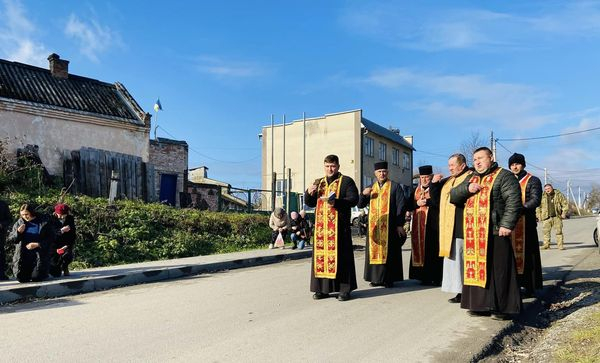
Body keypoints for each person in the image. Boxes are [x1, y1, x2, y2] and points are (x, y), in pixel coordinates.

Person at [450, 147, 522, 320]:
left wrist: (506, 224)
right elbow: (453, 196)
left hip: (496, 231)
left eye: (481, 158)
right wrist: (467, 189)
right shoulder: (471, 177)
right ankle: (479, 305)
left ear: (491, 157)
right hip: (474, 233)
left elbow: (513, 201)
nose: (478, 162)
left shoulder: (504, 176)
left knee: (499, 272)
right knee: (477, 270)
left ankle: (502, 308)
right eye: (475, 159)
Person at [305, 154, 359, 301]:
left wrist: (337, 202)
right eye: (327, 166)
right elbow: (309, 202)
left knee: (342, 259)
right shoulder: (319, 182)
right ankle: (322, 290)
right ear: (324, 167)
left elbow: (354, 199)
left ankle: (344, 290)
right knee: (321, 259)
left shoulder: (347, 181)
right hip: (322, 230)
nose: (330, 169)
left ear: (338, 167)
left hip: (339, 228)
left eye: (333, 166)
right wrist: (309, 193)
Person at [358, 161, 407, 288]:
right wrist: (363, 195)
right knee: (374, 253)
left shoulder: (395, 187)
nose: (382, 174)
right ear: (375, 173)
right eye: (379, 172)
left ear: (387, 172)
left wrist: (399, 224)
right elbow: (360, 205)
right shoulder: (370, 187)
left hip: (389, 226)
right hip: (374, 227)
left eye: (384, 171)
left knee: (389, 253)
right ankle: (375, 279)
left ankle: (388, 279)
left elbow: (401, 206)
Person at [436, 153, 471, 304]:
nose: (450, 168)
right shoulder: (450, 180)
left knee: (462, 259)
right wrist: (434, 184)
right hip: (450, 225)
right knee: (454, 261)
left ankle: (466, 292)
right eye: (449, 165)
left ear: (462, 165)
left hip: (462, 223)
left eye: (452, 165)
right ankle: (459, 290)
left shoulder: (470, 177)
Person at [508, 153, 543, 296]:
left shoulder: (532, 180)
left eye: (517, 164)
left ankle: (529, 286)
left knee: (528, 255)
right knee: (511, 256)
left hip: (526, 222)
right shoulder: (508, 180)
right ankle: (515, 285)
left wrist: (521, 208)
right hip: (511, 224)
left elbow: (535, 200)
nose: (514, 167)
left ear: (523, 165)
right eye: (512, 165)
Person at [408, 165, 443, 286]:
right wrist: (416, 203)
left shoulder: (436, 187)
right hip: (418, 225)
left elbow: (439, 202)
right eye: (422, 177)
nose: (424, 180)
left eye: (426, 177)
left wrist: (427, 202)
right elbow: (408, 205)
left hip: (433, 225)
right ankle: (422, 276)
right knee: (420, 250)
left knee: (432, 250)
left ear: (431, 177)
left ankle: (435, 277)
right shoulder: (415, 190)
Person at [7, 203, 55, 283]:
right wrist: (18, 232)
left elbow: (51, 238)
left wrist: (38, 244)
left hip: (38, 255)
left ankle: (45, 272)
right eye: (22, 215)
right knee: (21, 279)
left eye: (27, 214)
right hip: (23, 255)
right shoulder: (19, 222)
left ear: (32, 212)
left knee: (36, 278)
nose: (25, 216)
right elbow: (11, 239)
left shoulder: (43, 222)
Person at [536, 184, 569, 250]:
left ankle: (560, 246)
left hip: (557, 217)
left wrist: (564, 213)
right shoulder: (542, 196)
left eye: (548, 188)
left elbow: (565, 204)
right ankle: (546, 245)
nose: (547, 190)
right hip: (546, 217)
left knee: (559, 232)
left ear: (552, 188)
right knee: (546, 232)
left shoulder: (558, 195)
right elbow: (538, 207)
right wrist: (539, 216)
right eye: (546, 189)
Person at [49, 203, 76, 277]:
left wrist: (68, 246)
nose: (61, 216)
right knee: (56, 274)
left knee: (67, 255)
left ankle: (65, 266)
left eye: (63, 215)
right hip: (53, 247)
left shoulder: (70, 219)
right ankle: (54, 267)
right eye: (59, 214)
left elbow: (73, 235)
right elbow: (50, 235)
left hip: (65, 245)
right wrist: (61, 231)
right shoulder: (50, 219)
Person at [0, 199, 11, 280]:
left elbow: (9, 219)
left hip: (0, 234)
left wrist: (1, 225)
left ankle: (1, 274)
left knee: (1, 253)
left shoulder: (3, 204)